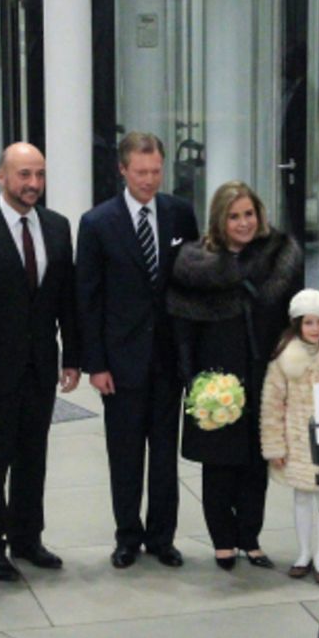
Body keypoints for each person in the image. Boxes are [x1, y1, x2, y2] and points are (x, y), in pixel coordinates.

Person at [0, 142, 80, 582]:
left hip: (40, 365)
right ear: (1, 176)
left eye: (39, 175)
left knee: (33, 457)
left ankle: (27, 537)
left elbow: (66, 298)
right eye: (24, 175)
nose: (33, 184)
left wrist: (73, 356)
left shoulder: (58, 227)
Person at [76, 132, 200, 570]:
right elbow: (87, 299)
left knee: (165, 454)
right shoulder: (97, 223)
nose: (149, 180)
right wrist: (96, 364)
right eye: (141, 172)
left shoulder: (181, 215)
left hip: (168, 358)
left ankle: (162, 537)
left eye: (156, 171)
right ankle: (127, 535)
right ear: (123, 170)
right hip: (121, 360)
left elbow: (192, 283)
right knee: (125, 454)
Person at [166, 181, 303, 570]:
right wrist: (192, 378)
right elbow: (183, 328)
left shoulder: (278, 255)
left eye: (248, 214)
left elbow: (294, 317)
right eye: (234, 216)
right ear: (219, 220)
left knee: (256, 461)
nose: (243, 223)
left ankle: (251, 538)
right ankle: (223, 542)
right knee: (219, 462)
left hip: (264, 372)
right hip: (216, 379)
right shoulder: (195, 263)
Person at [259, 289, 319, 584]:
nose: (315, 329)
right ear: (297, 324)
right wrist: (275, 444)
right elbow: (272, 404)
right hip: (298, 440)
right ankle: (303, 552)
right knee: (302, 497)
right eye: (308, 323)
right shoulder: (283, 359)